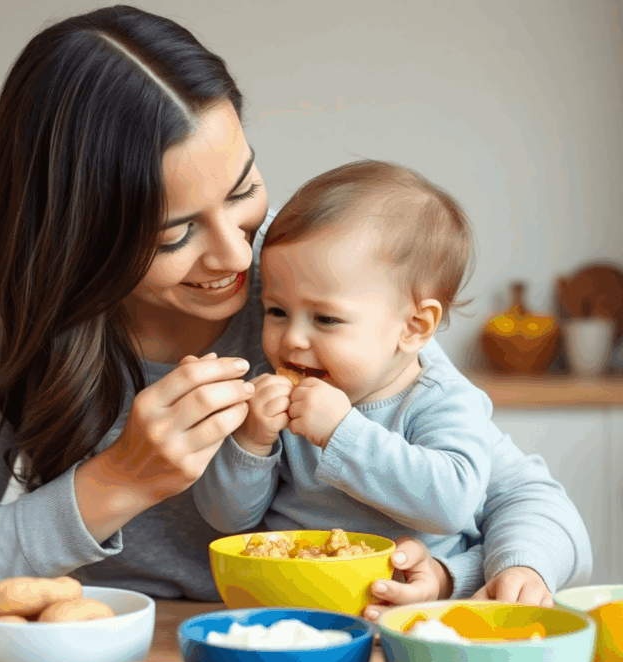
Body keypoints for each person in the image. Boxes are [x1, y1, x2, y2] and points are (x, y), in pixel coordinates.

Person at [0, 5, 590, 636]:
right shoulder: (13, 308)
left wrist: (491, 572)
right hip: (112, 651)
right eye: (172, 234)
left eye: (243, 187)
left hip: (305, 648)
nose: (234, 251)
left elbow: (517, 493)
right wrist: (116, 482)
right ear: (76, 240)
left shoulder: (305, 281)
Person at [192, 159, 550, 613]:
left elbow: (453, 503)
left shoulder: (442, 400)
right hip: (288, 603)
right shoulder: (272, 393)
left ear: (415, 327)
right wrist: (251, 443)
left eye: (325, 319)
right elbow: (225, 518)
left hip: (406, 614)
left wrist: (341, 433)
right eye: (276, 311)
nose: (292, 339)